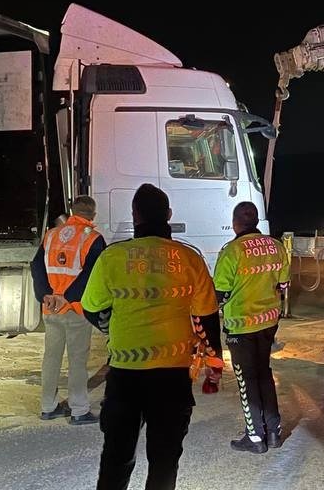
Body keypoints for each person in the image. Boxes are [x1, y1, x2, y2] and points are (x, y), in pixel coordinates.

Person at [81, 183, 223, 490]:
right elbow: (207, 316)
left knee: (116, 458)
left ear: (135, 216)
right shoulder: (190, 259)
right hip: (172, 376)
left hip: (125, 376)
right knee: (164, 461)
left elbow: (91, 308)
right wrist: (215, 364)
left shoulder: (112, 257)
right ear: (169, 215)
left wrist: (111, 327)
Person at [213, 202, 290, 454]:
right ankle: (274, 432)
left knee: (246, 379)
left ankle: (255, 436)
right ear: (256, 222)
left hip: (241, 326)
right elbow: (283, 284)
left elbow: (220, 293)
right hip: (268, 323)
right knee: (263, 373)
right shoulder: (276, 247)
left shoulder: (232, 251)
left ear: (235, 223)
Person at [33, 196, 105, 425]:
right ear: (93, 215)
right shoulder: (93, 238)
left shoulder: (52, 234)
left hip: (51, 309)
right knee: (77, 361)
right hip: (75, 309)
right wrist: (67, 297)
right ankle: (79, 409)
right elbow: (92, 274)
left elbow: (36, 266)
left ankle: (47, 407)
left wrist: (46, 295)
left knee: (51, 358)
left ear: (72, 212)